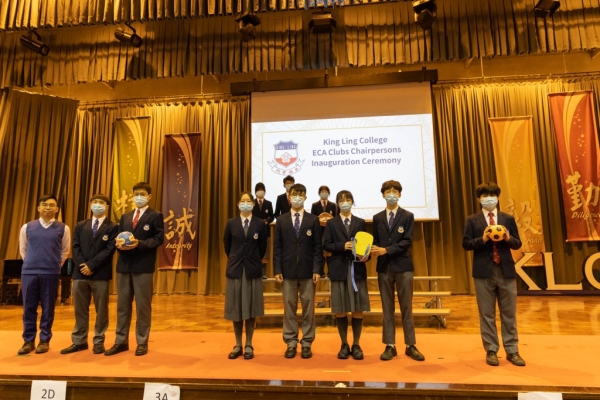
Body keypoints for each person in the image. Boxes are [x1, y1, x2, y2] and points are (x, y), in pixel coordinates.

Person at [462, 182, 525, 367]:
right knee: (486, 314)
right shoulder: (472, 220)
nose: (488, 199)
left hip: (505, 271)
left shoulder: (507, 218)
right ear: (479, 199)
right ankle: (491, 350)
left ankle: (512, 350)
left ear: (497, 197)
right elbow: (466, 244)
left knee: (509, 314)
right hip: (483, 272)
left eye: (492, 195)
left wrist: (507, 237)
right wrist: (483, 239)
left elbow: (517, 243)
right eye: (484, 196)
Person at [105, 182, 164, 357]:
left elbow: (158, 239)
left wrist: (140, 244)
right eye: (136, 194)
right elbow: (119, 238)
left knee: (142, 306)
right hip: (124, 266)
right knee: (122, 306)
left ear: (149, 196)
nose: (139, 197)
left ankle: (142, 342)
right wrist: (118, 244)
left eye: (142, 194)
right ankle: (121, 341)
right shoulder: (125, 216)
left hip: (143, 266)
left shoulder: (155, 216)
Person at [371, 180, 424, 362]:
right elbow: (376, 241)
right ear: (383, 195)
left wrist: (386, 250)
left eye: (395, 191)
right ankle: (390, 345)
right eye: (388, 191)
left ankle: (410, 345)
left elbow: (407, 241)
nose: (391, 194)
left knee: (406, 307)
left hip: (403, 266)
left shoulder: (408, 216)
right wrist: (372, 249)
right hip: (384, 268)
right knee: (387, 308)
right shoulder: (377, 218)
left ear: (400, 195)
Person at [61, 194, 118, 355]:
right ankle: (79, 341)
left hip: (100, 274)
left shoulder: (113, 227)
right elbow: (75, 247)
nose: (97, 205)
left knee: (101, 310)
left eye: (101, 203)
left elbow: (110, 250)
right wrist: (82, 266)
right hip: (80, 274)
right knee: (80, 309)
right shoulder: (81, 225)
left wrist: (91, 265)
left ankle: (99, 341)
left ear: (107, 206)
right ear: (91, 204)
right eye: (95, 202)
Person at [274, 183, 323, 359]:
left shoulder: (313, 220)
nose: (297, 197)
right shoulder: (281, 220)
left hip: (308, 271)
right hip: (287, 271)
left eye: (301, 195)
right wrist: (277, 269)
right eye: (295, 194)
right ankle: (291, 342)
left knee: (309, 309)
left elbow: (317, 247)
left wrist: (317, 269)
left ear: (305, 198)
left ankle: (307, 342)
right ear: (289, 197)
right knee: (289, 308)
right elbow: (277, 247)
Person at [18, 194, 71, 355]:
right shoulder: (27, 227)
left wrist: (53, 264)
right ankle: (28, 341)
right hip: (29, 272)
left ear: (57, 209)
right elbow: (23, 250)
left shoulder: (64, 228)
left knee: (48, 308)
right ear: (38, 208)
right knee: (29, 308)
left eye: (51, 205)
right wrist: (32, 263)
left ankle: (44, 340)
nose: (48, 207)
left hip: (51, 272)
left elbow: (65, 251)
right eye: (45, 205)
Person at [323, 190, 370, 360]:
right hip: (339, 270)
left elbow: (366, 247)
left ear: (352, 202)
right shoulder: (331, 223)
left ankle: (356, 344)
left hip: (357, 270)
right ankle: (344, 344)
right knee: (340, 309)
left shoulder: (360, 222)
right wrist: (342, 246)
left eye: (348, 199)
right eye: (342, 200)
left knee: (358, 308)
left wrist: (366, 256)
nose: (345, 202)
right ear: (337, 203)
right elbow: (326, 244)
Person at [223, 191, 268, 360]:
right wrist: (237, 258)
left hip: (252, 269)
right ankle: (238, 344)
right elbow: (227, 246)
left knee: (250, 307)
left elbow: (262, 247)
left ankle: (249, 344)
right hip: (235, 269)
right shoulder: (231, 223)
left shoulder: (260, 224)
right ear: (238, 204)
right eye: (242, 201)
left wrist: (252, 259)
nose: (245, 203)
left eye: (248, 201)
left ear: (253, 204)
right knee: (236, 308)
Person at [252, 182, 274, 279]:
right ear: (255, 192)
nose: (260, 191)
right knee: (254, 251)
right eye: (258, 190)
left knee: (265, 252)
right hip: (254, 230)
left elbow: (272, 216)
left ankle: (263, 273)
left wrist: (267, 221)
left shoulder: (268, 203)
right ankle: (256, 272)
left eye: (262, 190)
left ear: (264, 191)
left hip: (265, 231)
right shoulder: (252, 203)